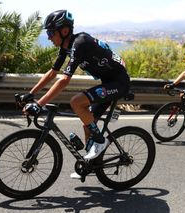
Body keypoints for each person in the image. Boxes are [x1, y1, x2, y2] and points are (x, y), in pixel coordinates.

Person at [20, 10, 130, 178]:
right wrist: (30, 94)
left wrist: (39, 104)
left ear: (64, 31)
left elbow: (64, 80)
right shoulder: (66, 47)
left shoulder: (80, 42)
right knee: (87, 119)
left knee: (76, 102)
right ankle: (89, 163)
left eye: (51, 32)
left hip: (119, 82)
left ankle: (100, 142)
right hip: (107, 82)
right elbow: (52, 73)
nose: (49, 37)